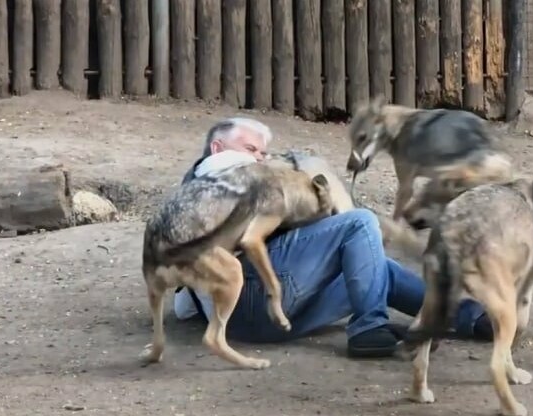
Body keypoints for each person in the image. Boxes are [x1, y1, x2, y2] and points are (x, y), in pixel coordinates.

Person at [171, 117, 493, 358]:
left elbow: (185, 299)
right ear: (218, 147)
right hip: (254, 296)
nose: (259, 158)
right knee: (359, 224)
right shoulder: (220, 167)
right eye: (251, 149)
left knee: (374, 266)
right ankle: (369, 326)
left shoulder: (193, 194)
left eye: (262, 152)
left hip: (253, 321)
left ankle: (469, 316)